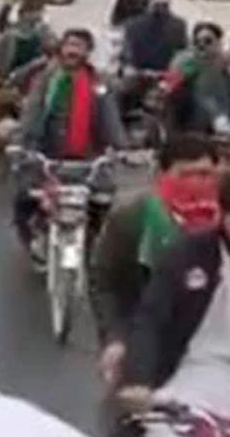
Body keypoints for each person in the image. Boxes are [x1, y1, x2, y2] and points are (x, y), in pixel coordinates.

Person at [90, 135, 220, 390]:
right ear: (162, 173)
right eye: (186, 175)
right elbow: (105, 282)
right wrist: (115, 338)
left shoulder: (222, 220)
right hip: (149, 354)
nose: (197, 184)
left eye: (205, 174)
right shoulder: (133, 219)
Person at [114, 172, 230, 434]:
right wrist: (138, 379)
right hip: (197, 374)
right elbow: (150, 318)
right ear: (222, 215)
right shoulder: (188, 254)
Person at [16, 29, 126, 241]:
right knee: (24, 201)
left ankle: (93, 247)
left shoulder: (99, 82)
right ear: (61, 48)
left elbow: (109, 115)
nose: (73, 50)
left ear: (87, 52)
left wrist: (121, 148)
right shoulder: (46, 79)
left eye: (79, 46)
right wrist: (22, 145)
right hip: (48, 158)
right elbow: (32, 112)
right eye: (69, 45)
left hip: (88, 161)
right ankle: (33, 241)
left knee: (102, 205)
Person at [164, 22, 230, 135]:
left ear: (218, 43)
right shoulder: (188, 60)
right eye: (197, 41)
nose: (202, 45)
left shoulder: (222, 60)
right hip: (199, 112)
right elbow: (172, 82)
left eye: (208, 41)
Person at [0, 0, 55, 80]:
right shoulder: (10, 36)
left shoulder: (40, 33)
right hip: (14, 84)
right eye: (36, 10)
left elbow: (53, 52)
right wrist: (33, 65)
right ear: (24, 13)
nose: (40, 15)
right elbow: (3, 73)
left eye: (41, 11)